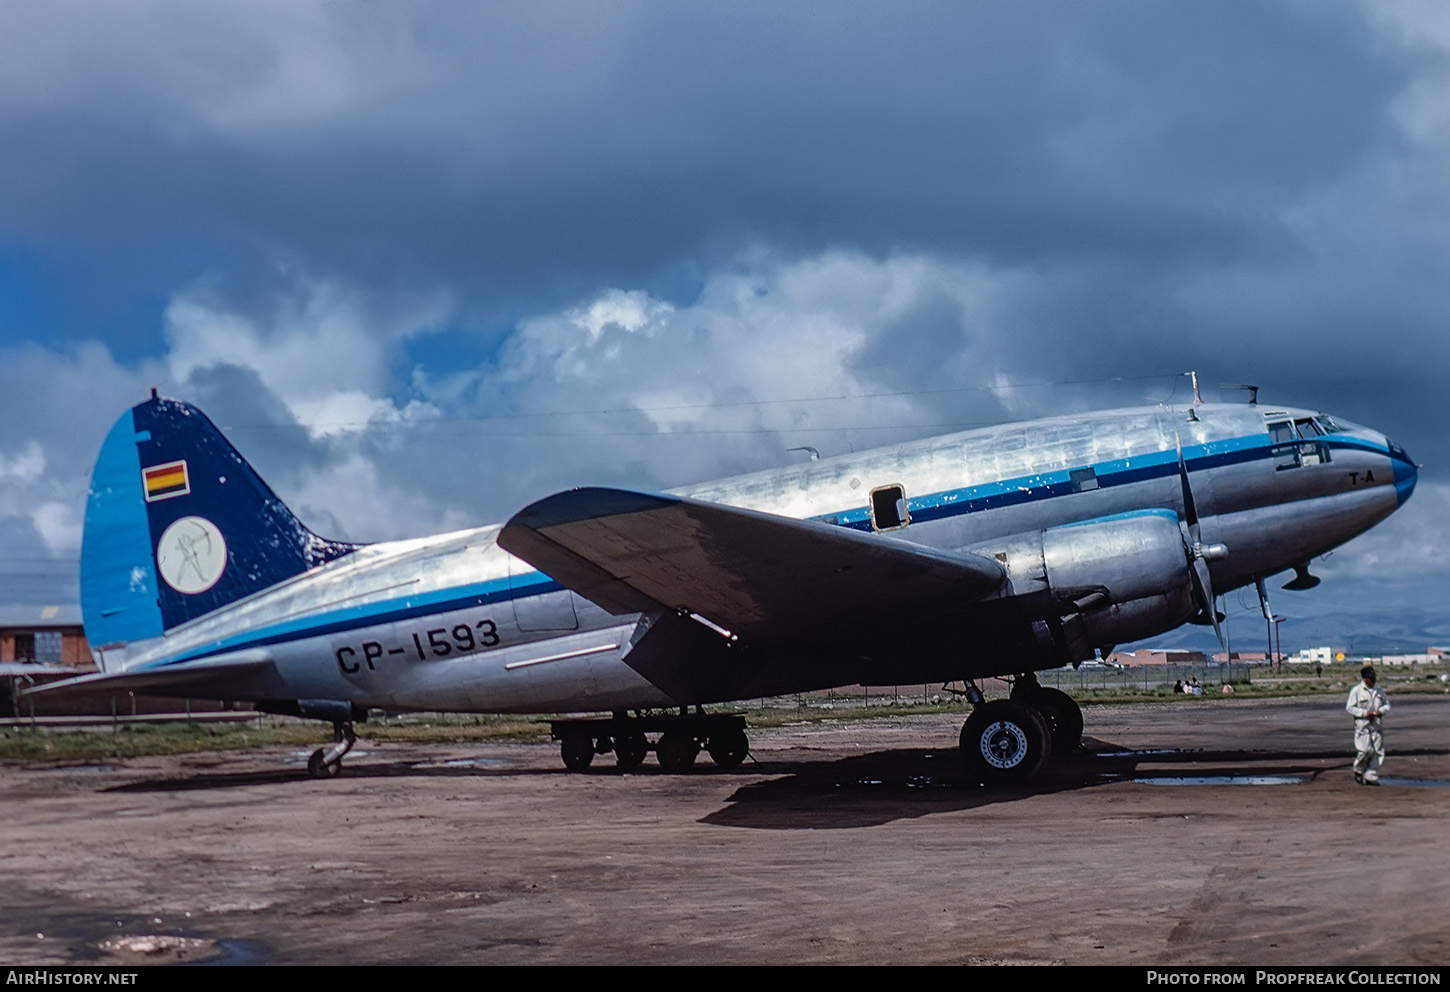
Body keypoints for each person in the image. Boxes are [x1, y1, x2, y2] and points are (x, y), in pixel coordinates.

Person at [1346, 665, 1389, 785]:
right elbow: (1349, 708)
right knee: (1364, 750)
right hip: (1363, 725)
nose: (1373, 680)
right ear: (1364, 678)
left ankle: (1371, 776)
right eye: (1370, 678)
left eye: (1374, 677)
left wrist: (1380, 711)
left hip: (1376, 724)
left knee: (1377, 751)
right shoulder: (1357, 691)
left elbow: (1387, 705)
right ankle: (1358, 770)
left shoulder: (1379, 690)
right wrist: (1365, 713)